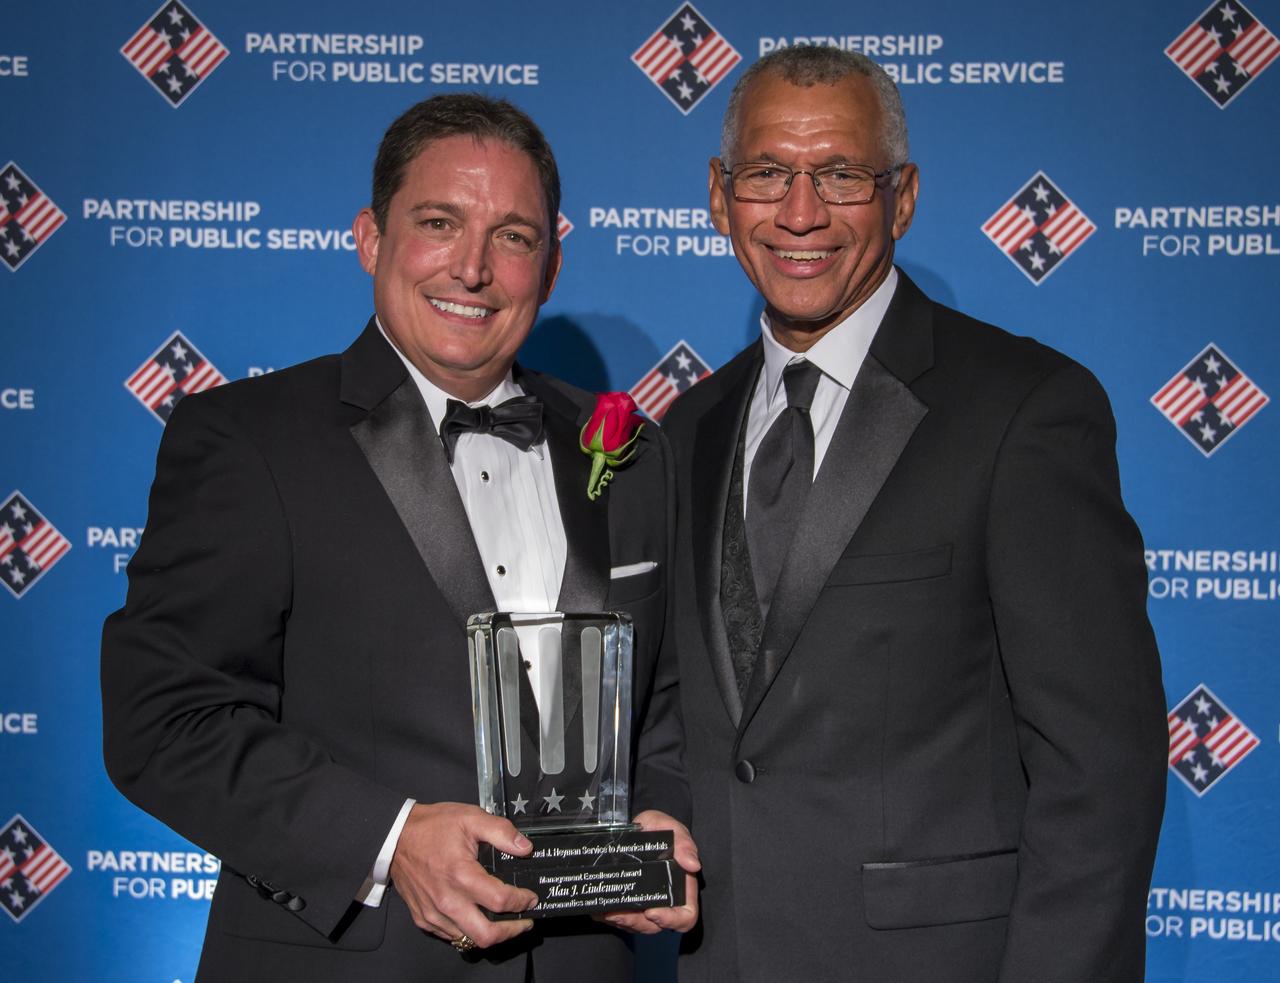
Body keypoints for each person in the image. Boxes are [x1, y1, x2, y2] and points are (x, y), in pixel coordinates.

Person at [101, 93, 696, 982]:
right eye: (439, 222)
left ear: (552, 266)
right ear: (371, 239)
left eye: (514, 237)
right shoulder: (247, 439)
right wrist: (389, 838)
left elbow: (668, 712)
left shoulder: (629, 450)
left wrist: (661, 815)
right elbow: (164, 721)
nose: (474, 268)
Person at [661, 47, 1167, 982]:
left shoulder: (1024, 409)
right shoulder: (689, 428)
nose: (800, 212)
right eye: (768, 172)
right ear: (719, 196)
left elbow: (1100, 773)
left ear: (901, 197)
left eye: (842, 175)